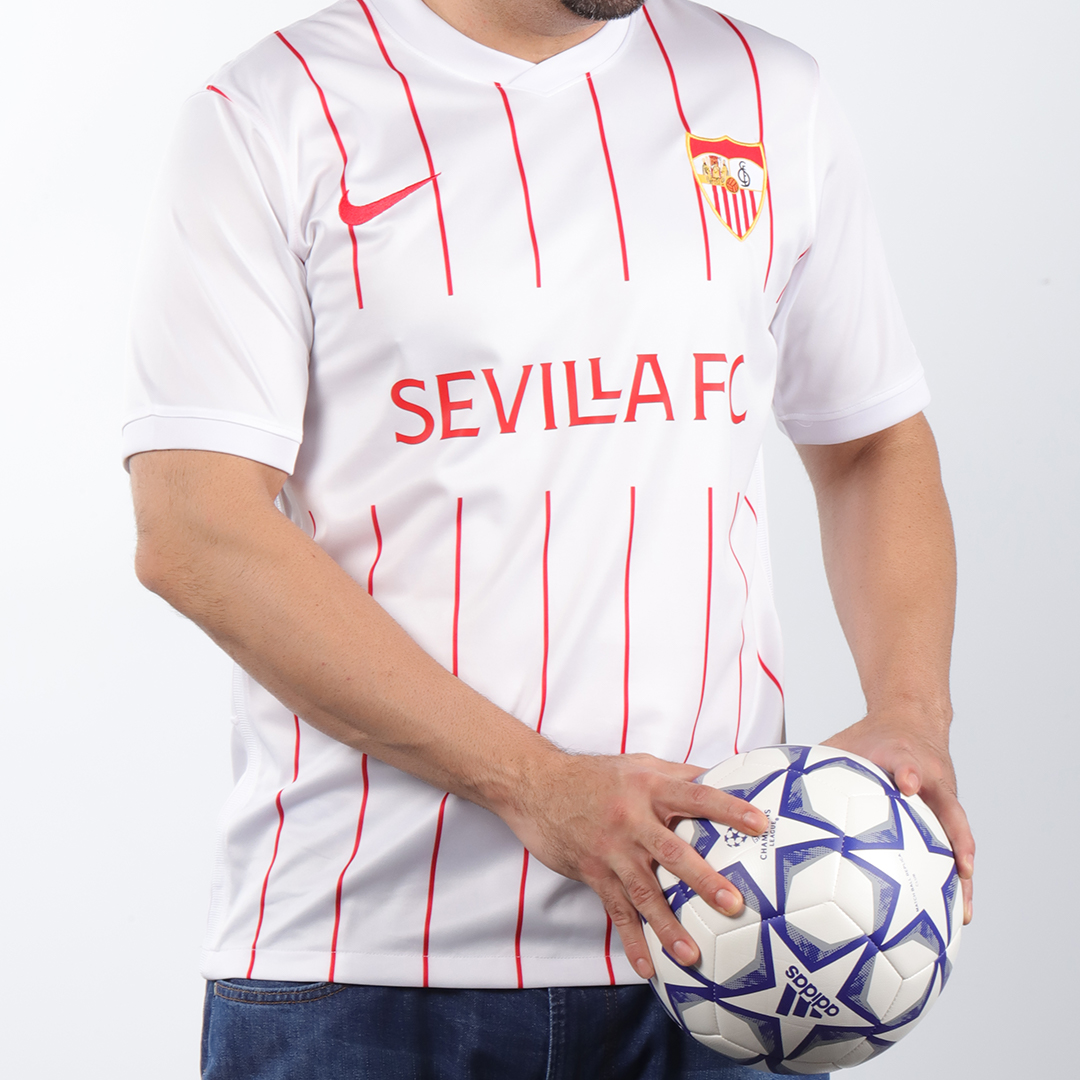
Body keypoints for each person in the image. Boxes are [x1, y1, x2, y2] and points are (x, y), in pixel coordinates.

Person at [124, 0, 974, 1075]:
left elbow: (869, 444)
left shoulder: (769, 92)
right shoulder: (272, 111)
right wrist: (535, 783)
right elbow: (197, 527)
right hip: (360, 958)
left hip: (725, 947)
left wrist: (910, 709)